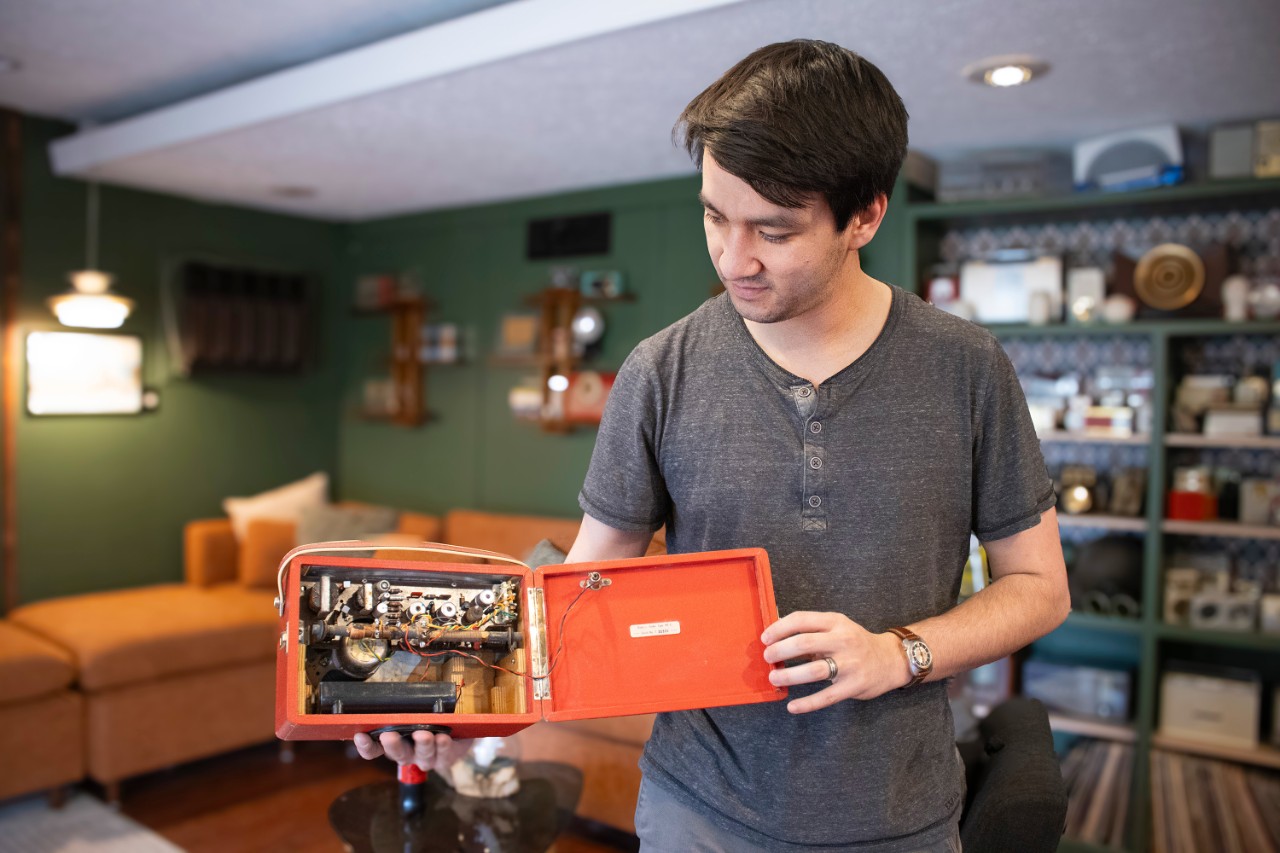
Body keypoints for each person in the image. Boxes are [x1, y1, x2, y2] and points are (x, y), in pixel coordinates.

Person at [357, 39, 1069, 852]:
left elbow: (1040, 586)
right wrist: (466, 703)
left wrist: (898, 652)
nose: (736, 259)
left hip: (898, 820)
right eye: (714, 215)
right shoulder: (661, 369)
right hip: (695, 812)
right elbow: (586, 585)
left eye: (774, 230)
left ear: (866, 214)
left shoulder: (966, 366)